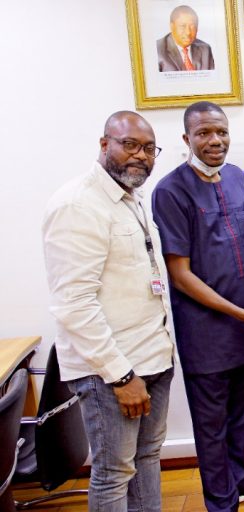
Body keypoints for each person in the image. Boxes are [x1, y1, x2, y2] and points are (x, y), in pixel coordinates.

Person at [152, 101, 244, 511]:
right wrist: (243, 315)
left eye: (222, 132)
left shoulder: (236, 178)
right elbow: (180, 273)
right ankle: (220, 500)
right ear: (187, 139)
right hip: (206, 332)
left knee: (240, 413)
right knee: (211, 425)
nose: (215, 140)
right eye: (204, 133)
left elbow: (227, 244)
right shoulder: (170, 191)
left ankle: (243, 479)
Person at [42, 111, 175, 511]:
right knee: (114, 473)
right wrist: (121, 376)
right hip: (113, 372)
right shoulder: (78, 205)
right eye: (129, 144)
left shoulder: (130, 197)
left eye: (149, 148)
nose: (141, 155)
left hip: (153, 355)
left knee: (147, 457)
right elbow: (73, 303)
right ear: (104, 145)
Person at [157, 5, 215, 72]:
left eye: (192, 26)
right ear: (172, 26)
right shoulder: (157, 50)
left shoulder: (205, 49)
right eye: (183, 26)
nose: (188, 32)